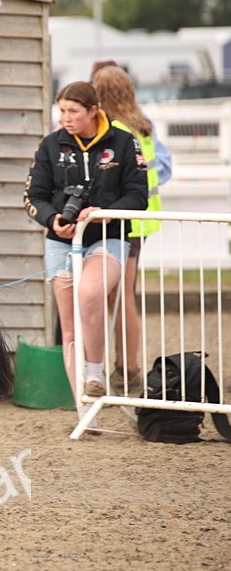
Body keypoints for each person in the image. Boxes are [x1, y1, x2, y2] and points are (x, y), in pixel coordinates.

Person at [24, 81, 148, 414]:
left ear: (94, 110)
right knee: (69, 325)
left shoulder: (123, 143)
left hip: (109, 238)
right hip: (61, 243)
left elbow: (139, 197)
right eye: (62, 110)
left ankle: (95, 374)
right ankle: (85, 411)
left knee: (91, 294)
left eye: (73, 111)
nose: (66, 118)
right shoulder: (50, 145)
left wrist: (101, 213)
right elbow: (33, 196)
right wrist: (53, 219)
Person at [91, 62, 172, 397]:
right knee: (123, 296)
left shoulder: (114, 132)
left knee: (120, 298)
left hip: (122, 220)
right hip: (143, 220)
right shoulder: (144, 125)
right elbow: (164, 169)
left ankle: (127, 370)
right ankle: (126, 368)